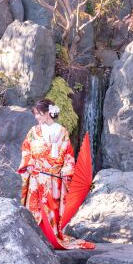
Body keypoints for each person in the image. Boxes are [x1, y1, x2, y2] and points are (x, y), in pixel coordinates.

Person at [18, 99, 94, 250]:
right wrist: (29, 165)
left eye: (39, 114)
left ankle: (51, 236)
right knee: (34, 208)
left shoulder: (62, 132)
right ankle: (34, 238)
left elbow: (68, 155)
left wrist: (65, 172)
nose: (36, 117)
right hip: (36, 177)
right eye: (36, 114)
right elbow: (26, 149)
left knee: (51, 210)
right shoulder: (33, 132)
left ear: (47, 113)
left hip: (54, 179)